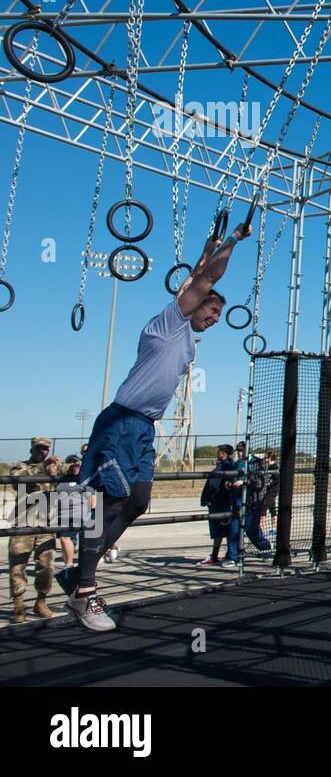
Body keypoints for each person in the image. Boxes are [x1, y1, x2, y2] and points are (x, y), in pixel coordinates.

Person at [58, 224, 249, 631]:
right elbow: (204, 279)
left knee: (139, 501)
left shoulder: (188, 337)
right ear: (192, 306)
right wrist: (233, 240)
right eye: (211, 311)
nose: (215, 318)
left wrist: (208, 246)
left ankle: (77, 577)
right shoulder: (168, 324)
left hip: (143, 428)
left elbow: (199, 274)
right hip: (122, 423)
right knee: (111, 503)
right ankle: (84, 591)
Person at [6, 439, 62, 622]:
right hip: (24, 523)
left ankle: (41, 601)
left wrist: (73, 468)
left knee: (46, 566)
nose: (42, 452)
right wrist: (43, 466)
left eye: (45, 449)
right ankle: (19, 604)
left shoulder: (54, 467)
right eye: (39, 448)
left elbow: (67, 469)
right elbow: (17, 479)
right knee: (18, 565)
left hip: (46, 524)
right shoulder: (20, 466)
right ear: (32, 449)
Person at [198, 446, 241, 567]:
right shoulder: (222, 465)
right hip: (217, 502)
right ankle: (219, 555)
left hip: (221, 502)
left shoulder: (227, 465)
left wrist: (209, 497)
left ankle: (225, 556)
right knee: (221, 531)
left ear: (226, 454)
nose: (218, 454)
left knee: (223, 530)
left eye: (220, 452)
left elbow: (215, 485)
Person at [54, 457, 91, 571]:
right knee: (68, 540)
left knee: (66, 538)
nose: (75, 466)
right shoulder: (61, 478)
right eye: (72, 463)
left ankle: (69, 565)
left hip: (78, 513)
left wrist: (91, 513)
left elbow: (92, 497)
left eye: (77, 464)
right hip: (62, 513)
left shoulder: (84, 479)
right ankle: (70, 564)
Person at [237, 441, 272, 554]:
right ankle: (237, 551)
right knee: (242, 527)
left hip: (255, 500)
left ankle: (265, 547)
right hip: (241, 500)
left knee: (251, 527)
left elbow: (261, 482)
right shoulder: (239, 463)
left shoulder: (258, 463)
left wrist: (245, 482)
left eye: (241, 451)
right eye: (238, 451)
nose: (239, 454)